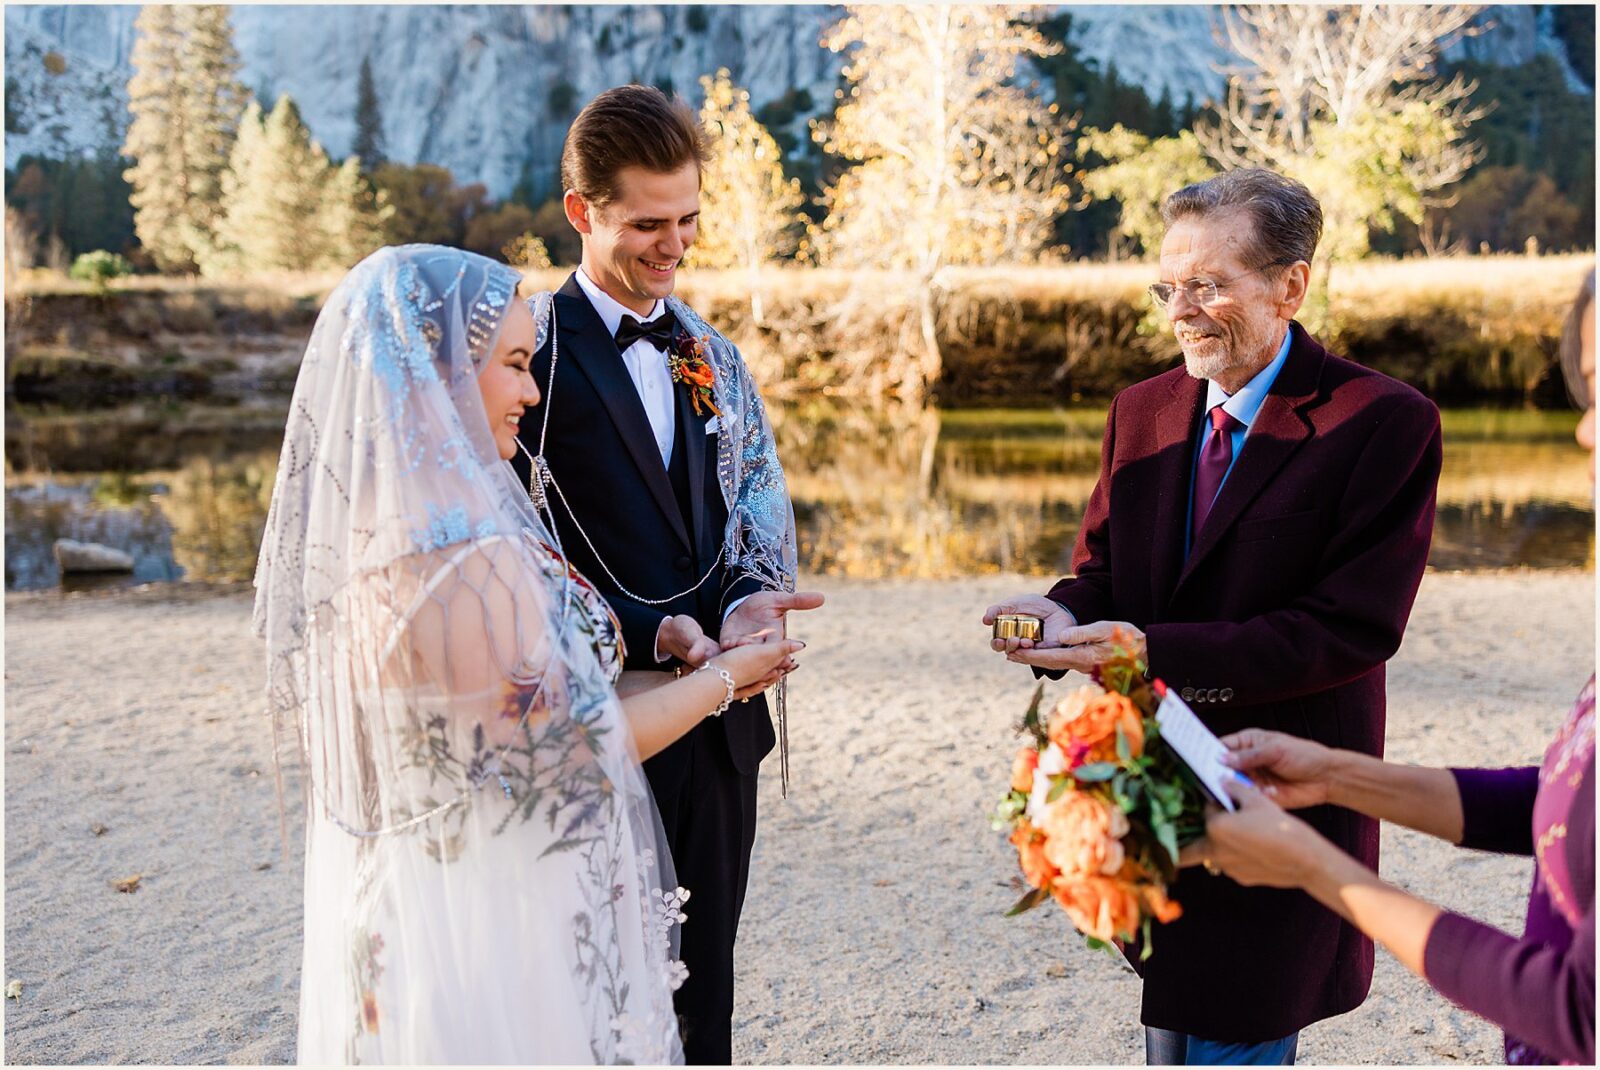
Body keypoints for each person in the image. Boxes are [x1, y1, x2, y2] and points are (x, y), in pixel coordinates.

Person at [252, 245, 799, 1064]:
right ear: (437, 377)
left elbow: (509, 711)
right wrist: (725, 679)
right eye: (513, 364)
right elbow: (573, 744)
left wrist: (667, 644)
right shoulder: (462, 564)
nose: (533, 388)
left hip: (441, 890)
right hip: (496, 907)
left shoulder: (386, 536)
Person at [983, 169, 1443, 1064]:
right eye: (1168, 287)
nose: (1181, 312)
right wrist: (1055, 613)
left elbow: (1350, 628)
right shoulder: (1140, 411)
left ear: (1290, 286)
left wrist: (1151, 648)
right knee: (1172, 1025)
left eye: (1207, 285)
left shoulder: (1385, 421)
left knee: (1242, 1029)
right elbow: (1105, 575)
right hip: (1148, 793)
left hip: (1281, 799)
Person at [1186, 269, 1595, 1065]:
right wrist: (1337, 776)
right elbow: (1565, 805)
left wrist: (1317, 868)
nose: (1585, 432)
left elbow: (1577, 1013)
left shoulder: (1388, 420)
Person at [513, 85, 822, 1064]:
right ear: (581, 211)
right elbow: (510, 551)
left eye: (688, 218)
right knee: (588, 1002)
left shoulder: (713, 355)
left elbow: (754, 509)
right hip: (589, 728)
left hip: (719, 738)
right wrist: (648, 637)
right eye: (649, 223)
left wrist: (749, 603)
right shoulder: (525, 359)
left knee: (703, 1002)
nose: (675, 244)